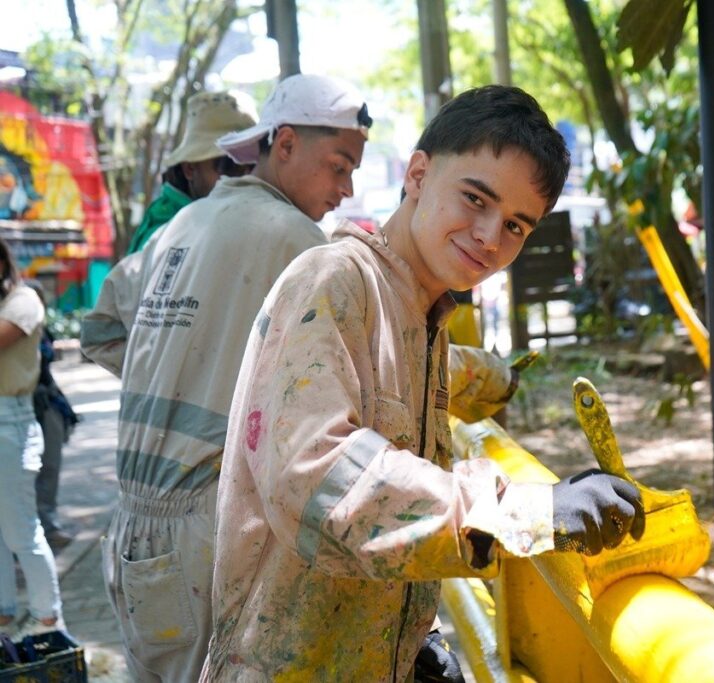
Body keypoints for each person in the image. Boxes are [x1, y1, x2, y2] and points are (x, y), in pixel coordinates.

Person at [81, 74, 518, 682]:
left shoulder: (175, 230)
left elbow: (99, 329)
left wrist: (188, 369)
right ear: (284, 144)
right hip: (205, 521)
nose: (346, 189)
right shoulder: (301, 246)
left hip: (131, 525)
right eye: (339, 166)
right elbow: (351, 399)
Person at [201, 85, 646, 681]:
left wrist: (412, 638)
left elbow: (393, 495)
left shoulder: (425, 313)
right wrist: (529, 511)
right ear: (417, 173)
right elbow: (317, 479)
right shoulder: (334, 281)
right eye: (475, 198)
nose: (490, 236)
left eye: (516, 225)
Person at [0, 238, 65, 639]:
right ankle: (4, 616)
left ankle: (47, 620)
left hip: (10, 422)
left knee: (21, 531)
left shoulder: (24, 300)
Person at [125, 91, 256, 254]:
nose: (245, 178)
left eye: (252, 164)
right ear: (190, 169)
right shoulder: (162, 237)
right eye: (229, 166)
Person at [22, 280, 79, 550]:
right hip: (20, 409)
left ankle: (48, 525)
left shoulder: (42, 330)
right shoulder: (13, 329)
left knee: (50, 467)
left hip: (47, 405)